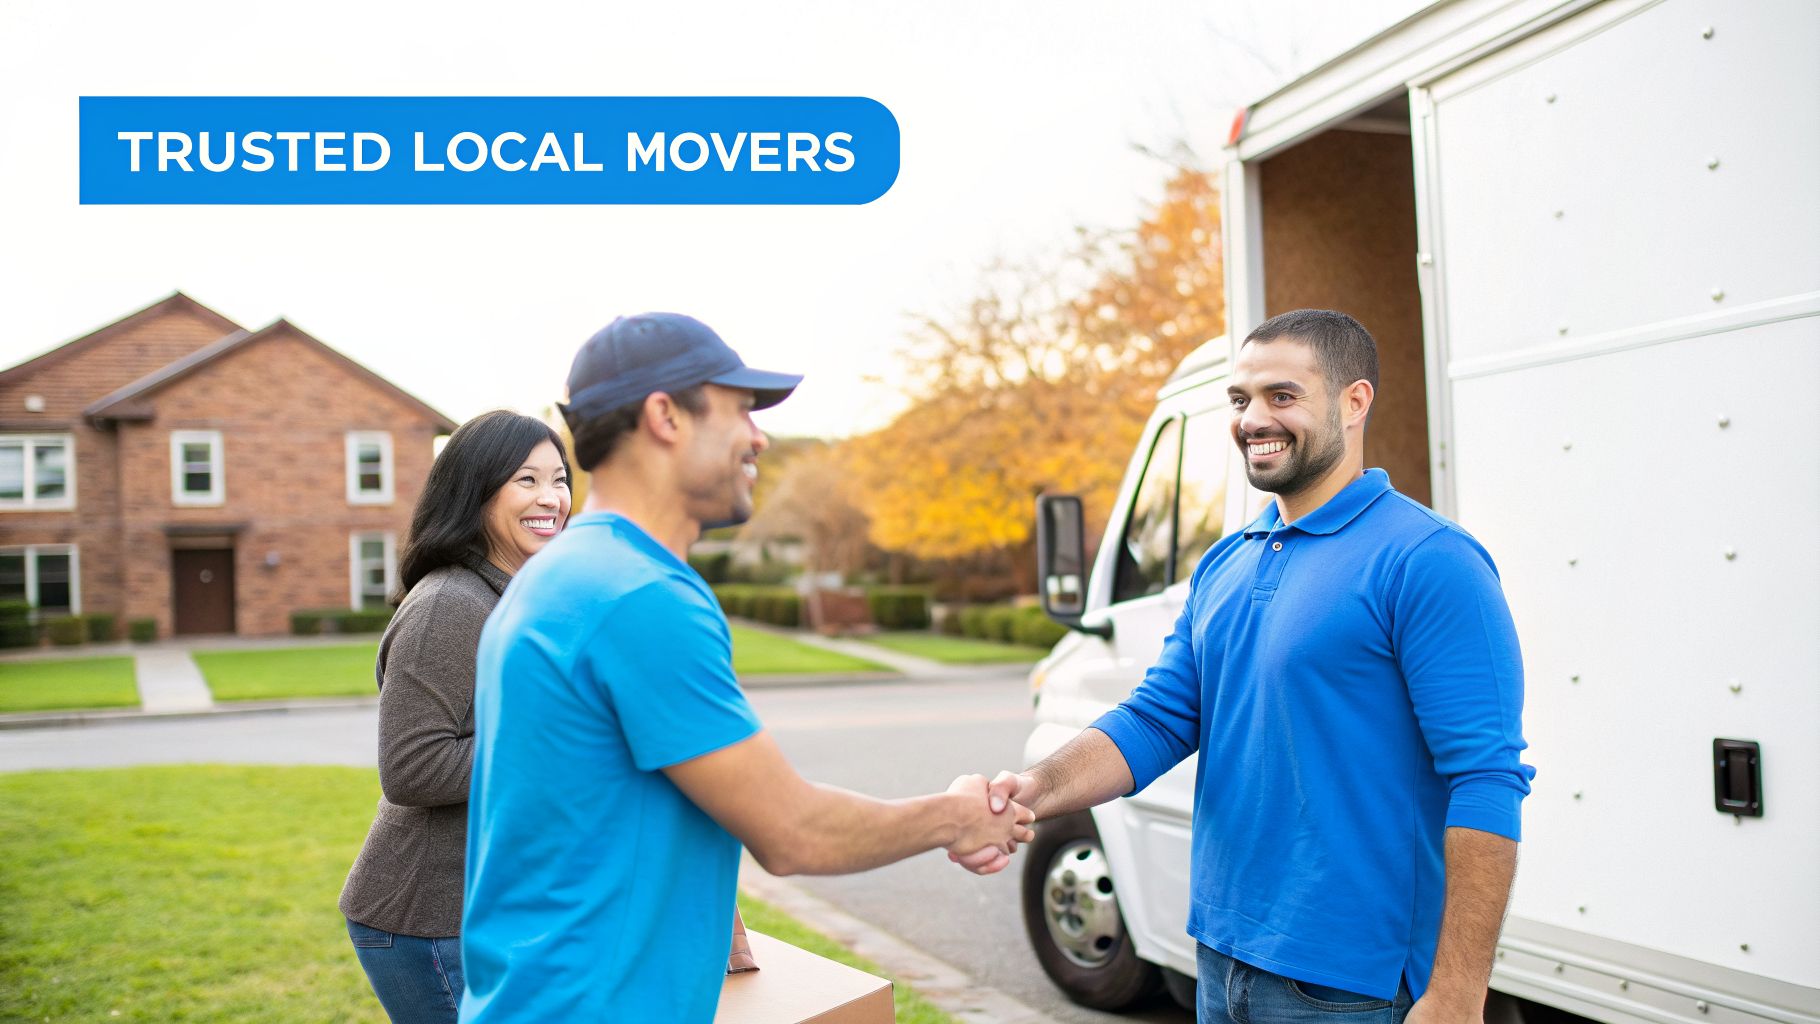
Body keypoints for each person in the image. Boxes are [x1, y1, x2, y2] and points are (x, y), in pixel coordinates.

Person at [959, 309, 1535, 1024]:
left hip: (1353, 986)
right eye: (1240, 399)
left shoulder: (1430, 560)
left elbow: (1485, 780)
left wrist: (1457, 994)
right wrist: (1033, 790)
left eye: (1281, 396)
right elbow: (1158, 720)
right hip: (1220, 957)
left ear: (1354, 402)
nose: (1252, 420)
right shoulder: (1224, 564)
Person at [459, 313, 1034, 1023]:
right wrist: (956, 818)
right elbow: (793, 831)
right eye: (740, 410)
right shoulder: (637, 595)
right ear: (665, 416)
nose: (759, 437)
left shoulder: (565, 576)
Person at [339, 410, 572, 1024]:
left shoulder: (513, 594)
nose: (551, 498)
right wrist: (562, 743)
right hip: (428, 921)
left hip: (487, 907)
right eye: (526, 480)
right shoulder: (450, 603)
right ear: (477, 492)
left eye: (559, 479)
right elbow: (412, 768)